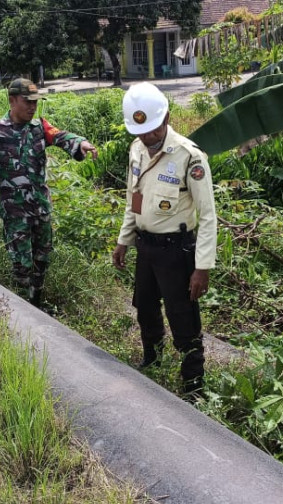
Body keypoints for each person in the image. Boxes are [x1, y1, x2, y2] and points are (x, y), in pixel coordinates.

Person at [111, 82, 217, 399]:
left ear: (167, 118)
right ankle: (152, 361)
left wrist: (202, 268)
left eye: (153, 130)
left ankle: (193, 387)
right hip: (146, 247)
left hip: (176, 251)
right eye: (141, 132)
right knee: (145, 308)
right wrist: (124, 240)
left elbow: (208, 216)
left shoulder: (189, 156)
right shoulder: (137, 150)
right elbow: (136, 198)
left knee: (183, 318)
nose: (147, 137)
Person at [0, 78, 98, 308]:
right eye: (27, 101)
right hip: (15, 213)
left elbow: (60, 136)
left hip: (41, 209)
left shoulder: (39, 127)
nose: (33, 106)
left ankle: (36, 304)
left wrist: (80, 143)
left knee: (41, 260)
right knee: (21, 266)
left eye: (35, 102)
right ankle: (24, 312)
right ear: (12, 100)